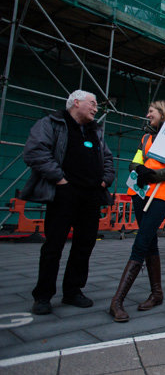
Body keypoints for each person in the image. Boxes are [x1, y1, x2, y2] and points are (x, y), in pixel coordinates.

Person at [22, 90, 115, 315]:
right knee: (53, 246)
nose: (96, 108)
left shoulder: (96, 132)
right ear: (76, 103)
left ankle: (73, 290)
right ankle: (43, 296)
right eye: (92, 103)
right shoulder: (52, 124)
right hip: (63, 195)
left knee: (85, 245)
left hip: (91, 197)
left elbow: (108, 159)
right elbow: (35, 152)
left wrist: (104, 181)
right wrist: (60, 179)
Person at [109, 100, 165, 322]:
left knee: (141, 242)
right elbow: (134, 163)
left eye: (151, 111)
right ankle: (157, 293)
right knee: (150, 242)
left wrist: (151, 175)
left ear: (163, 114)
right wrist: (140, 169)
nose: (147, 114)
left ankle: (117, 301)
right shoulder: (145, 138)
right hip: (140, 193)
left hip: (162, 196)